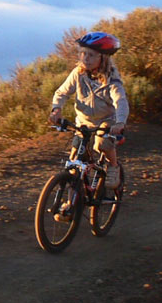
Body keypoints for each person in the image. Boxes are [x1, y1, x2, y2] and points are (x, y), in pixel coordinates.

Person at [48, 31, 129, 193]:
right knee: (74, 161)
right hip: (83, 121)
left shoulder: (112, 79)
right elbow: (62, 92)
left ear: (103, 58)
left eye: (91, 55)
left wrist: (119, 123)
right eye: (83, 53)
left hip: (107, 120)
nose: (85, 58)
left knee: (102, 144)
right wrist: (56, 109)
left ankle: (113, 167)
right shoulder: (78, 73)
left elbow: (120, 101)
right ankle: (71, 201)